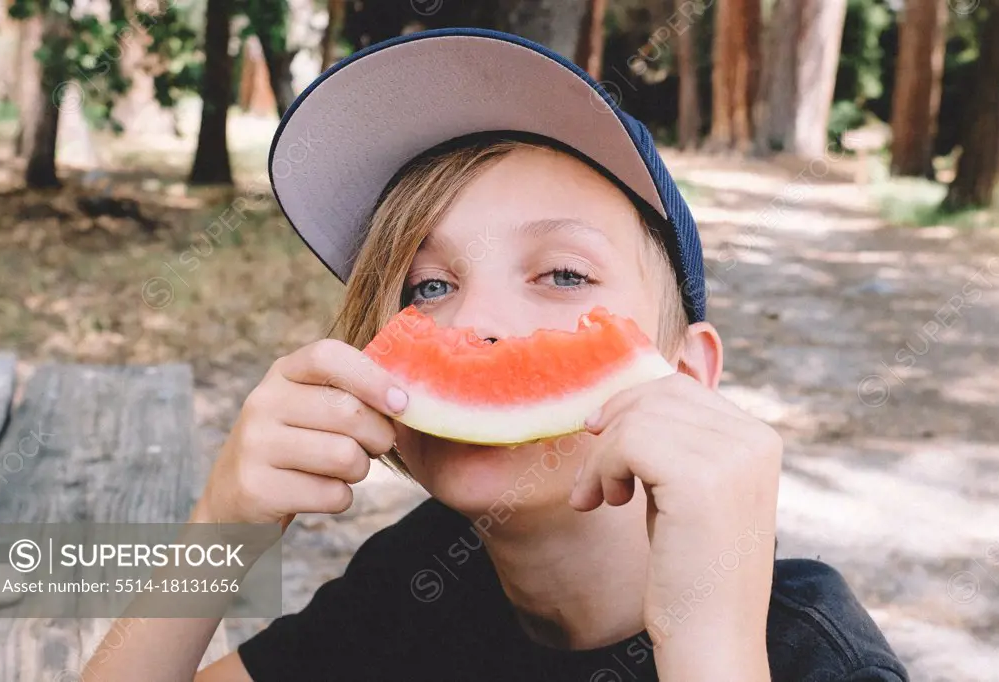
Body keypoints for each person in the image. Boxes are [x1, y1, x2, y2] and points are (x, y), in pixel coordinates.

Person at [84, 28, 909, 682]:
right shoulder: (422, 574)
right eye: (426, 288)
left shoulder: (818, 655)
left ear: (689, 373)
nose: (470, 324)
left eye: (562, 273)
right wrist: (219, 530)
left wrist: (705, 643)